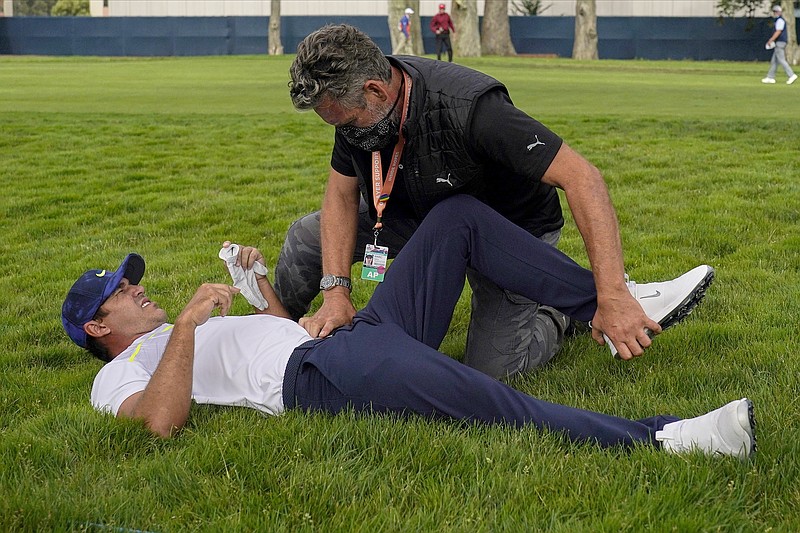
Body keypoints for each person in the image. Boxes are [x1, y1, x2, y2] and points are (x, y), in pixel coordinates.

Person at [61, 196, 755, 460]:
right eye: (124, 291)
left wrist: (259, 285)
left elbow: (274, 330)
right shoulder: (115, 374)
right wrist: (184, 324)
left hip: (336, 336)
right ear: (98, 325)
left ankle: (611, 303)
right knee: (480, 397)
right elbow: (159, 423)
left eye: (134, 279)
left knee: (459, 218)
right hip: (319, 377)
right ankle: (666, 437)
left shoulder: (174, 337)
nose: (140, 288)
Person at [278, 23, 681, 380]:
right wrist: (336, 292)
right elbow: (341, 196)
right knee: (307, 236)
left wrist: (609, 295)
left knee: (491, 368)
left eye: (345, 123)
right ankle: (272, 333)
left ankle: (556, 312)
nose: (345, 133)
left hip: (506, 230)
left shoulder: (471, 107)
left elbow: (584, 178)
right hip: (413, 212)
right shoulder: (355, 109)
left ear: (376, 90)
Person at [762, 5, 797, 85]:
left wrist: (771, 40)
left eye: (775, 12)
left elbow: (778, 31)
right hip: (780, 42)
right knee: (774, 61)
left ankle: (791, 75)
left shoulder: (780, 20)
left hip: (780, 42)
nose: (774, 13)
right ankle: (770, 77)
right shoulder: (779, 20)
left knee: (781, 60)